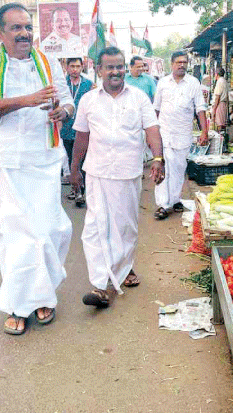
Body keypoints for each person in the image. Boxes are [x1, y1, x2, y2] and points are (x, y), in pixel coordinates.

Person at [0, 3, 74, 336]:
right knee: (16, 236)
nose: (24, 34)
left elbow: (67, 98)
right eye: (15, 28)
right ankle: (20, 305)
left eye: (27, 27)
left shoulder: (49, 63)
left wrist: (64, 111)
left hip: (44, 157)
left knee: (50, 231)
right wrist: (26, 100)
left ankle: (42, 295)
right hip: (5, 162)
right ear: (0, 34)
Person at [69, 46, 164, 308]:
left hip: (127, 172)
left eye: (119, 66)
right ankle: (100, 285)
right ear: (98, 70)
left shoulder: (138, 98)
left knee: (125, 228)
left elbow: (152, 129)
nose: (116, 71)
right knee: (94, 227)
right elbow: (81, 137)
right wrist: (74, 168)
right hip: (97, 172)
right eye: (109, 67)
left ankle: (123, 268)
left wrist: (158, 158)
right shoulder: (88, 100)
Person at [153, 51, 208, 220]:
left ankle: (175, 199)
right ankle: (163, 205)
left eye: (184, 62)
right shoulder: (163, 83)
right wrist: (152, 133)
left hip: (183, 133)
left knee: (178, 169)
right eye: (178, 62)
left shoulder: (193, 83)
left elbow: (200, 109)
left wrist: (204, 131)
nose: (181, 65)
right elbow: (156, 108)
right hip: (164, 133)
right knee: (165, 168)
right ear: (172, 64)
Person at [61, 56, 93, 206]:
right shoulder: (61, 83)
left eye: (77, 66)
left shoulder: (88, 84)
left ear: (82, 67)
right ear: (67, 67)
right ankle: (76, 189)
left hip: (84, 130)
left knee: (82, 160)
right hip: (66, 128)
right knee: (70, 159)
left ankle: (81, 191)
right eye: (72, 66)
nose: (75, 69)